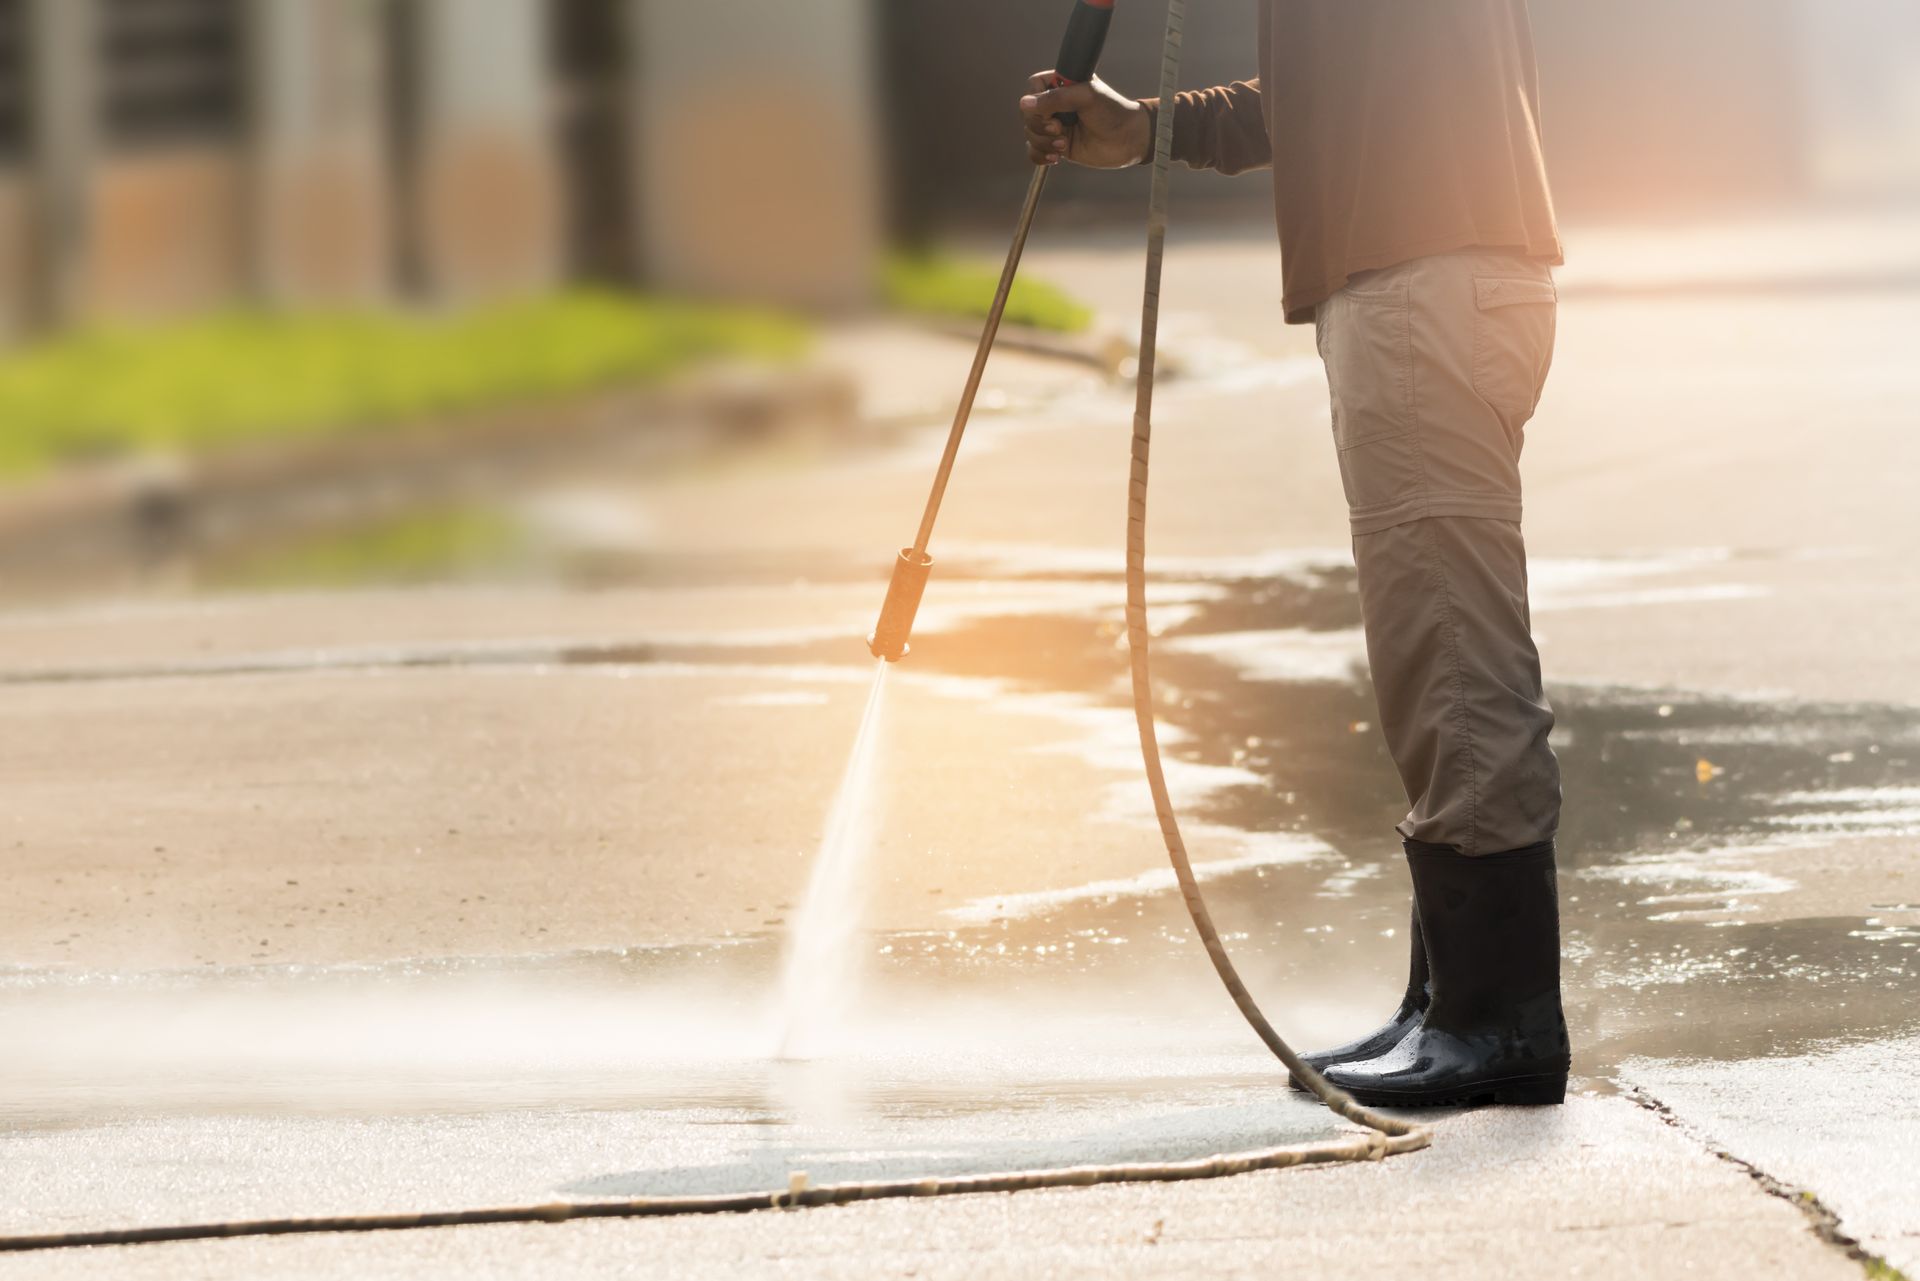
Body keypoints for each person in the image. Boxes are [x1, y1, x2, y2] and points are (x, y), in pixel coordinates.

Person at [1020, 1, 1570, 1107]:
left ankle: (1500, 1019)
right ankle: (1449, 1000)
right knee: (1428, 652)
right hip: (1415, 280)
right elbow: (1328, 93)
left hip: (1426, 280)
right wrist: (1154, 129)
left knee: (1450, 655)